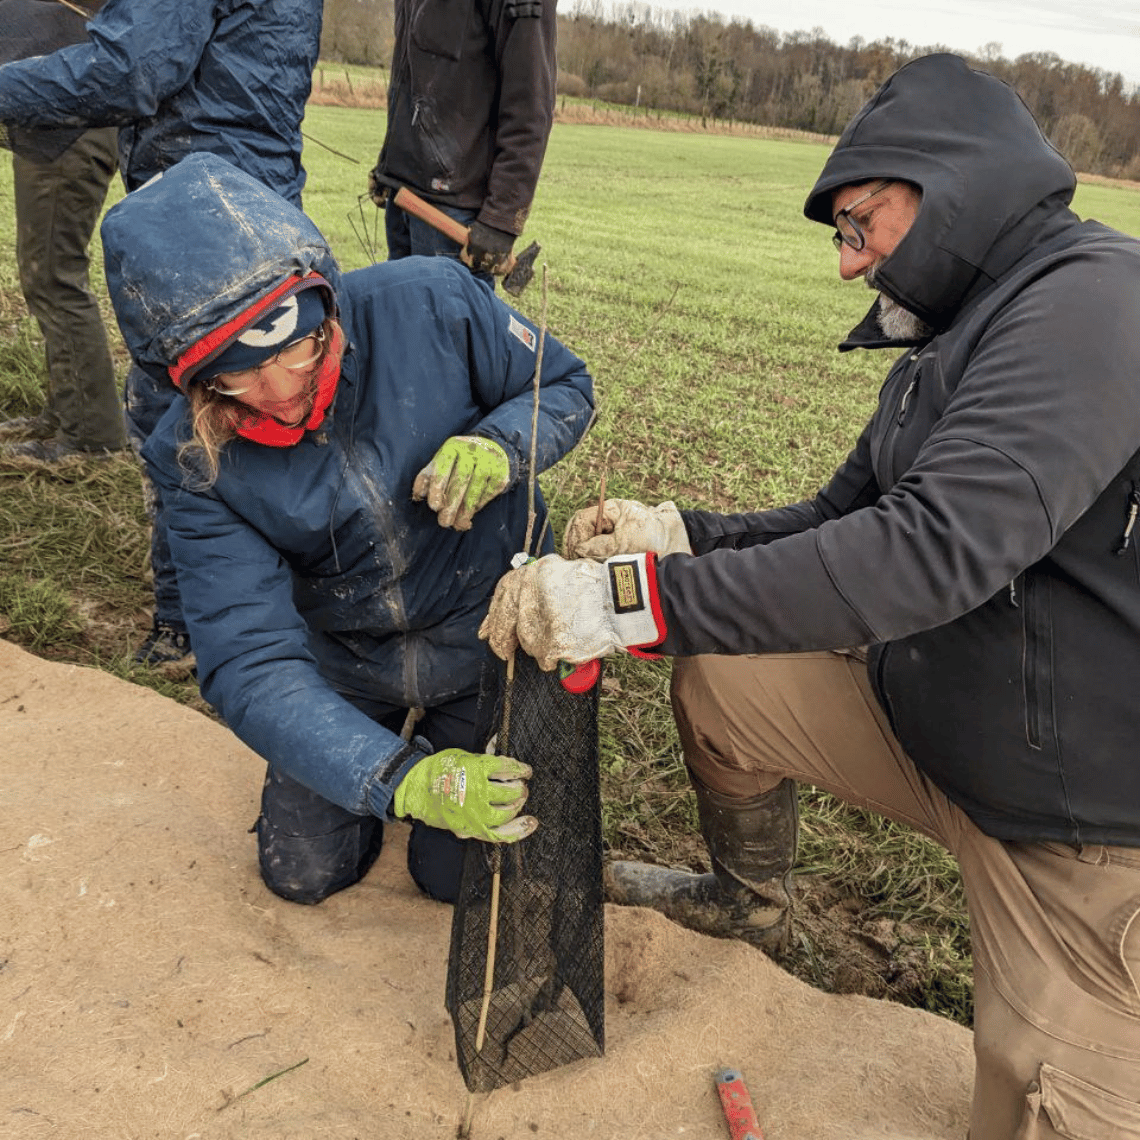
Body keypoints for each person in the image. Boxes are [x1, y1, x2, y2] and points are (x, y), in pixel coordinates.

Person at [479, 54, 1140, 1140]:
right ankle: (750, 906)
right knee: (726, 680)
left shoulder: (1097, 303)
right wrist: (679, 537)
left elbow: (924, 553)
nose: (848, 264)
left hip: (1082, 829)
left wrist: (626, 605)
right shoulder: (958, 334)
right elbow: (842, 515)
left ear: (954, 182)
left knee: (1034, 1106)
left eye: (859, 224)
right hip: (939, 724)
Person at [99, 152, 594, 907]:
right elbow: (250, 661)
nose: (278, 391)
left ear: (321, 302)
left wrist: (503, 444)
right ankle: (393, 749)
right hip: (349, 656)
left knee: (456, 878)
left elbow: (564, 385)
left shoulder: (431, 300)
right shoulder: (192, 457)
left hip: (488, 630)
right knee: (302, 873)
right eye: (235, 375)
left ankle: (454, 732)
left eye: (293, 349)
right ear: (188, 378)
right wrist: (400, 779)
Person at [0, 0, 323, 665]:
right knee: (261, 413)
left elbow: (128, 70)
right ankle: (266, 614)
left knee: (179, 427)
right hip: (261, 201)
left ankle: (189, 628)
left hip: (202, 217)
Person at [0, 0, 124, 462]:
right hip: (51, 126)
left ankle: (92, 436)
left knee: (55, 276)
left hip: (69, 131)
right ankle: (66, 412)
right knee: (43, 273)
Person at [369, 0, 557, 284]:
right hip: (404, 198)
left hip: (454, 217)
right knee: (400, 311)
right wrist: (389, 167)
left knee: (442, 314)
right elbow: (417, 73)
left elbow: (530, 103)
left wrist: (502, 218)